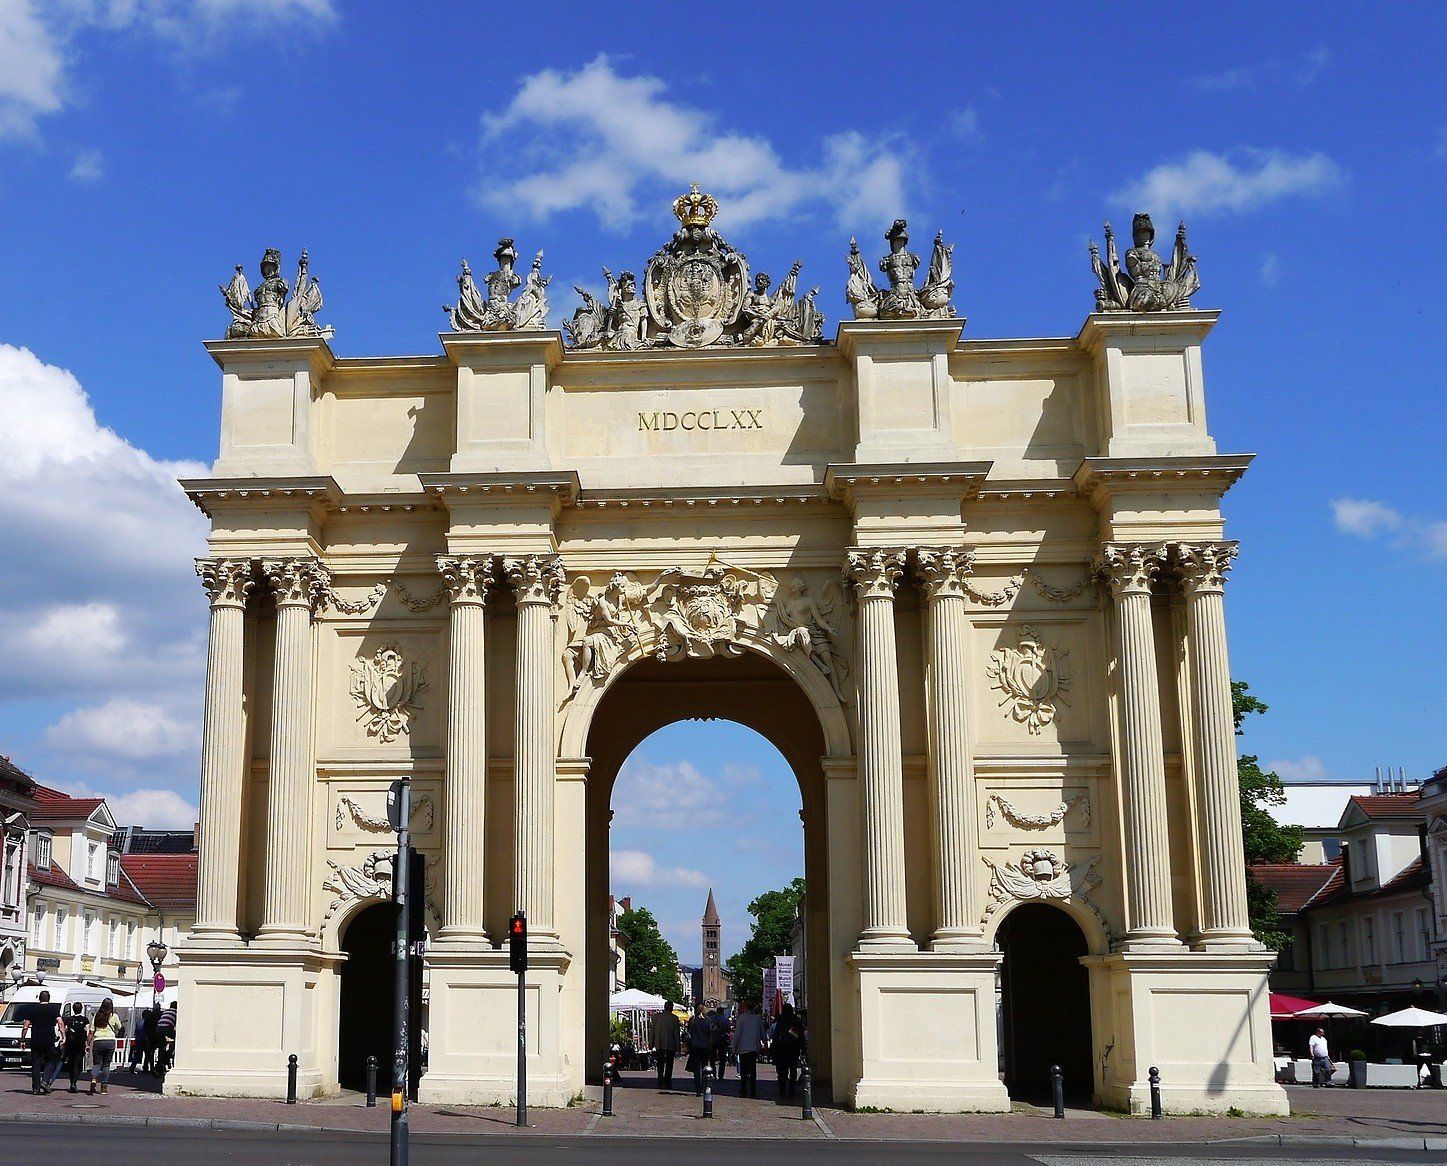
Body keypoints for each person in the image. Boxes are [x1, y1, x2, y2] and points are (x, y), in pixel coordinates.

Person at [19, 989, 63, 1095]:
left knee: (36, 1063)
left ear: (39, 998)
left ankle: (35, 1088)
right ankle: (45, 1081)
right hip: (49, 1039)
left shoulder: (32, 1009)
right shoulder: (53, 1009)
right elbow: (60, 1023)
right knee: (50, 1061)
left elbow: (25, 1026)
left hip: (36, 1039)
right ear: (49, 998)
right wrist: (63, 1036)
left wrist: (22, 1039)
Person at [770, 1002, 806, 1101]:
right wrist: (802, 1047)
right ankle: (791, 1090)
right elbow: (801, 1035)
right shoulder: (797, 1020)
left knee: (782, 1070)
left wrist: (773, 1046)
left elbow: (776, 1034)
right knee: (793, 1070)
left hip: (782, 1048)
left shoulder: (781, 1019)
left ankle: (782, 1089)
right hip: (794, 1048)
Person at [732, 1000, 767, 1099]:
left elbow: (737, 1034)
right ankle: (752, 1089)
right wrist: (765, 1045)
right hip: (754, 1048)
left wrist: (733, 1046)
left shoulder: (741, 1018)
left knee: (743, 1070)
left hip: (743, 1048)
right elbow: (762, 1033)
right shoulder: (757, 1019)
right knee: (752, 1069)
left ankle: (743, 1088)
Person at [89, 997, 123, 1095]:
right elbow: (119, 1027)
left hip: (98, 1040)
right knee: (106, 1064)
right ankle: (104, 1087)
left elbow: (91, 1031)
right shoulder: (114, 1016)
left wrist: (88, 1044)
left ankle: (94, 1079)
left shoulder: (97, 1015)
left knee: (96, 1064)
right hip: (110, 1041)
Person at [650, 1001, 681, 1091]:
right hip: (670, 1045)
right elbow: (676, 1034)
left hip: (659, 1044)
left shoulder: (656, 1017)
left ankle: (660, 1081)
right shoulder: (674, 1018)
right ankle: (668, 1082)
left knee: (660, 1064)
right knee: (669, 1065)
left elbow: (652, 1031)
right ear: (671, 1008)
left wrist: (651, 1043)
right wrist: (678, 1047)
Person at [60, 1002, 90, 1093]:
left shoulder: (69, 1019)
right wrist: (87, 1043)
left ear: (73, 1009)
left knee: (71, 1063)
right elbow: (87, 1032)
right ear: (81, 1009)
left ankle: (71, 1082)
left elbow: (65, 1030)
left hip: (70, 1044)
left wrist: (64, 1040)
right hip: (80, 1044)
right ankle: (74, 1082)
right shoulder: (85, 1020)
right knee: (78, 1064)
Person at [685, 1005, 713, 1095]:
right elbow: (711, 1034)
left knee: (696, 1070)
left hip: (695, 1047)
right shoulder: (708, 1021)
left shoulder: (693, 1020)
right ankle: (705, 1087)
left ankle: (698, 1089)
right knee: (705, 1068)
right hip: (705, 1047)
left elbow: (689, 1032)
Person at [155, 1000, 177, 1075]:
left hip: (158, 1029)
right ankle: (168, 1054)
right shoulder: (176, 1012)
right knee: (178, 1039)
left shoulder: (165, 1011)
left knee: (161, 1046)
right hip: (167, 1028)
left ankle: (159, 1063)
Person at [711, 1007, 731, 1081]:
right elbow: (728, 1030)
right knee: (722, 1059)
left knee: (712, 1058)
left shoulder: (712, 1018)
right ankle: (721, 1075)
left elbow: (710, 1028)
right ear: (722, 1012)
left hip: (714, 1039)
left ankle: (713, 1074)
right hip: (723, 1040)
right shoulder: (725, 1019)